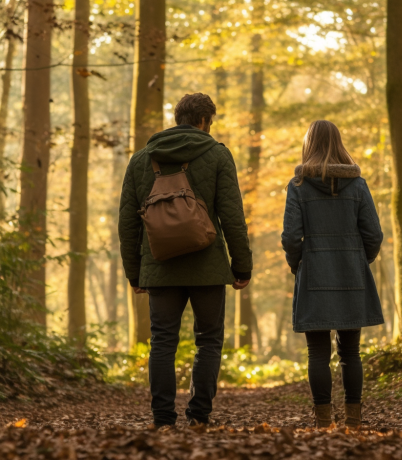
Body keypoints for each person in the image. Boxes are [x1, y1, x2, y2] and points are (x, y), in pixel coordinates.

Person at [119, 93, 252, 428]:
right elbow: (232, 216)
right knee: (208, 339)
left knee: (163, 341)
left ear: (177, 117)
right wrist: (242, 266)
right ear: (205, 120)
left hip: (159, 266)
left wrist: (134, 273)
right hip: (206, 265)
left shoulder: (140, 160)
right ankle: (198, 416)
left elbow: (128, 223)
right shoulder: (218, 155)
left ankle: (163, 418)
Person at [281, 120, 384, 428]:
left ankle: (323, 420)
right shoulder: (358, 184)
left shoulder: (298, 186)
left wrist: (298, 264)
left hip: (314, 274)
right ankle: (353, 420)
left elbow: (290, 237)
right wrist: (358, 260)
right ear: (339, 143)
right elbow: (374, 235)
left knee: (317, 354)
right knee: (351, 353)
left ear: (308, 145)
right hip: (352, 274)